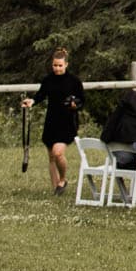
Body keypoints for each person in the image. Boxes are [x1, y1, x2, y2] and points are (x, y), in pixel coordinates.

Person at [21, 47, 85, 196]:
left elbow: (82, 100)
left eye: (60, 65)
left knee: (58, 153)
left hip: (67, 122)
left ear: (66, 64)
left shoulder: (74, 81)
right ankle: (55, 189)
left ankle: (63, 180)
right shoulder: (48, 80)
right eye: (55, 65)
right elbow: (40, 95)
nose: (57, 68)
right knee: (51, 157)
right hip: (51, 121)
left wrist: (75, 105)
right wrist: (31, 101)